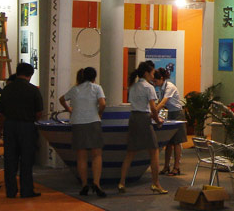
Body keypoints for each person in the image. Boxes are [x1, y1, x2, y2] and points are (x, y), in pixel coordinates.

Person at [118, 62, 167, 194]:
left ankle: (121, 182)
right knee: (154, 151)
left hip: (133, 118)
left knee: (130, 152)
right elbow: (153, 108)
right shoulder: (149, 87)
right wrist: (158, 120)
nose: (153, 76)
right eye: (152, 73)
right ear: (146, 73)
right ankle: (156, 183)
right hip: (144, 119)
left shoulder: (133, 86)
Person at [59, 67, 107, 197]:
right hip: (93, 121)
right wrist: (99, 113)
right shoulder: (97, 88)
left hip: (78, 123)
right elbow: (102, 103)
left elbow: (61, 99)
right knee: (97, 154)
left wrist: (69, 109)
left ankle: (84, 184)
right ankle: (96, 184)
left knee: (81, 156)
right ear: (94, 77)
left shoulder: (75, 89)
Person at [0, 62, 43, 198]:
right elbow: (39, 112)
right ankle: (26, 190)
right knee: (26, 159)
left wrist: (1, 128)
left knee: (10, 159)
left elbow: (1, 113)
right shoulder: (33, 90)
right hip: (27, 127)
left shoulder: (7, 89)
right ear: (30, 75)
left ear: (17, 73)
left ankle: (11, 191)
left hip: (10, 126)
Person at [153, 67, 186, 176]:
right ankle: (166, 167)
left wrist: (153, 112)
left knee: (177, 142)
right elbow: (160, 103)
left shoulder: (169, 87)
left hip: (177, 114)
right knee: (168, 142)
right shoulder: (161, 88)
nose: (154, 83)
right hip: (169, 113)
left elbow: (163, 102)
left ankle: (176, 167)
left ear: (161, 78)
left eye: (155, 81)